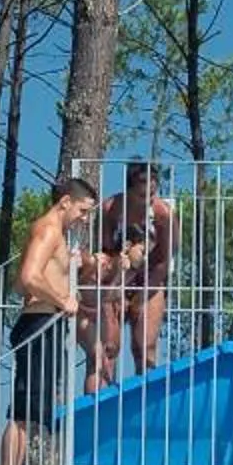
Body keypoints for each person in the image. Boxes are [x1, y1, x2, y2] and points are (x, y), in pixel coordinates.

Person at [0, 176, 97, 465]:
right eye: (83, 210)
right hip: (38, 325)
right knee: (22, 415)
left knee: (29, 416)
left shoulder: (56, 234)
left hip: (44, 323)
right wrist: (62, 299)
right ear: (65, 202)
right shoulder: (49, 229)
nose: (85, 218)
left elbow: (23, 282)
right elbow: (27, 277)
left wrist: (69, 267)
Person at [79, 160, 177, 391]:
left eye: (154, 187)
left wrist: (144, 293)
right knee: (106, 350)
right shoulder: (111, 208)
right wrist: (117, 282)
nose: (150, 194)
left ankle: (145, 405)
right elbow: (103, 252)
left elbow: (164, 261)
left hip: (150, 281)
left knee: (145, 348)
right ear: (130, 187)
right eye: (143, 188)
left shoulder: (163, 214)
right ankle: (98, 408)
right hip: (116, 279)